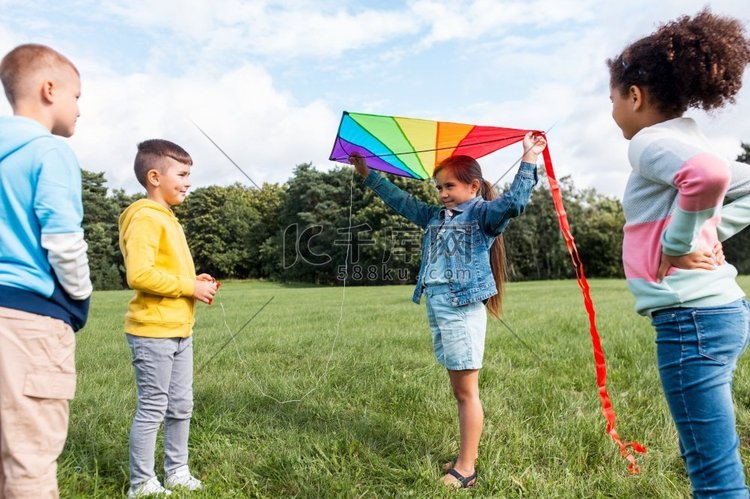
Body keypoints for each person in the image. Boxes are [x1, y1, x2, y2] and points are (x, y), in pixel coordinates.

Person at [349, 131, 546, 488]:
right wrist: (368, 175)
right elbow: (400, 200)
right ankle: (463, 455)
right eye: (438, 187)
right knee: (459, 389)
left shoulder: (484, 216)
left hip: (462, 309)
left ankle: (466, 468)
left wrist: (529, 158)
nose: (441, 194)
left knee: (466, 392)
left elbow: (515, 202)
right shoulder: (436, 217)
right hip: (439, 306)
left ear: (473, 187)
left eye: (449, 186)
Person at [608, 9, 750, 498]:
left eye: (611, 99)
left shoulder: (648, 141)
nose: (612, 112)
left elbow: (707, 178)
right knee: (715, 455)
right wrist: (710, 230)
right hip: (720, 312)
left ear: (634, 96)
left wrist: (680, 242)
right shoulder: (687, 139)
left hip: (692, 322)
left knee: (714, 474)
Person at [0, 43, 92, 498]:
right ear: (49, 89)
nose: (79, 110)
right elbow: (62, 240)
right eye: (78, 97)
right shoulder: (50, 152)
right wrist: (78, 298)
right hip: (29, 324)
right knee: (29, 462)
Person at [119, 139, 218, 497]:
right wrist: (187, 287)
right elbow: (140, 275)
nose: (188, 181)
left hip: (179, 329)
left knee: (181, 405)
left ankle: (176, 470)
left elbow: (169, 272)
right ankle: (141, 481)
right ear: (155, 176)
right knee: (153, 407)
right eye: (182, 174)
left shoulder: (167, 218)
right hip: (152, 331)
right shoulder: (144, 217)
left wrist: (195, 281)